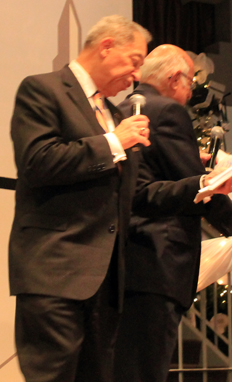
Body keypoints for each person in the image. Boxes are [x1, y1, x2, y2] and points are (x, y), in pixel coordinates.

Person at [9, 15, 152, 382]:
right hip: (56, 272)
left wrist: (201, 186)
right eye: (135, 61)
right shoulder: (43, 89)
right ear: (106, 46)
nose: (137, 76)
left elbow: (135, 195)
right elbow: (37, 161)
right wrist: (114, 142)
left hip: (105, 283)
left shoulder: (115, 113)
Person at [112, 44, 232, 382]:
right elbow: (196, 187)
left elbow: (152, 173)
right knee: (146, 370)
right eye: (189, 84)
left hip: (124, 262)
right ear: (174, 79)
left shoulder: (120, 110)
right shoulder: (168, 110)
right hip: (159, 260)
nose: (189, 93)